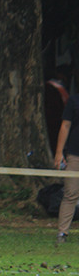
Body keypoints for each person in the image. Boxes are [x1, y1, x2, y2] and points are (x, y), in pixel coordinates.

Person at [53, 89, 79, 245]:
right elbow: (65, 125)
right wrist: (59, 152)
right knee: (70, 194)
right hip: (75, 155)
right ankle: (62, 233)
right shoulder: (74, 100)